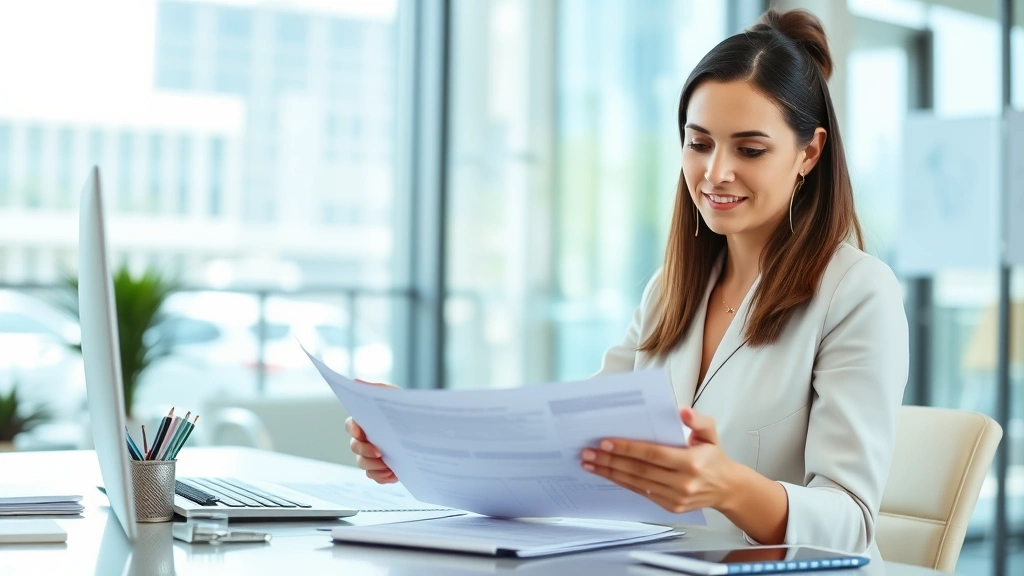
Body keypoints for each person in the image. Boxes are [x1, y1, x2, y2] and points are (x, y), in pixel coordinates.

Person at [345, 8, 908, 557]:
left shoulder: (857, 292)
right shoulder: (672, 289)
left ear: (809, 151)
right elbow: (568, 447)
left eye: (750, 149)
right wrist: (429, 443)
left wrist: (725, 486)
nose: (715, 172)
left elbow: (851, 523)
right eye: (699, 142)